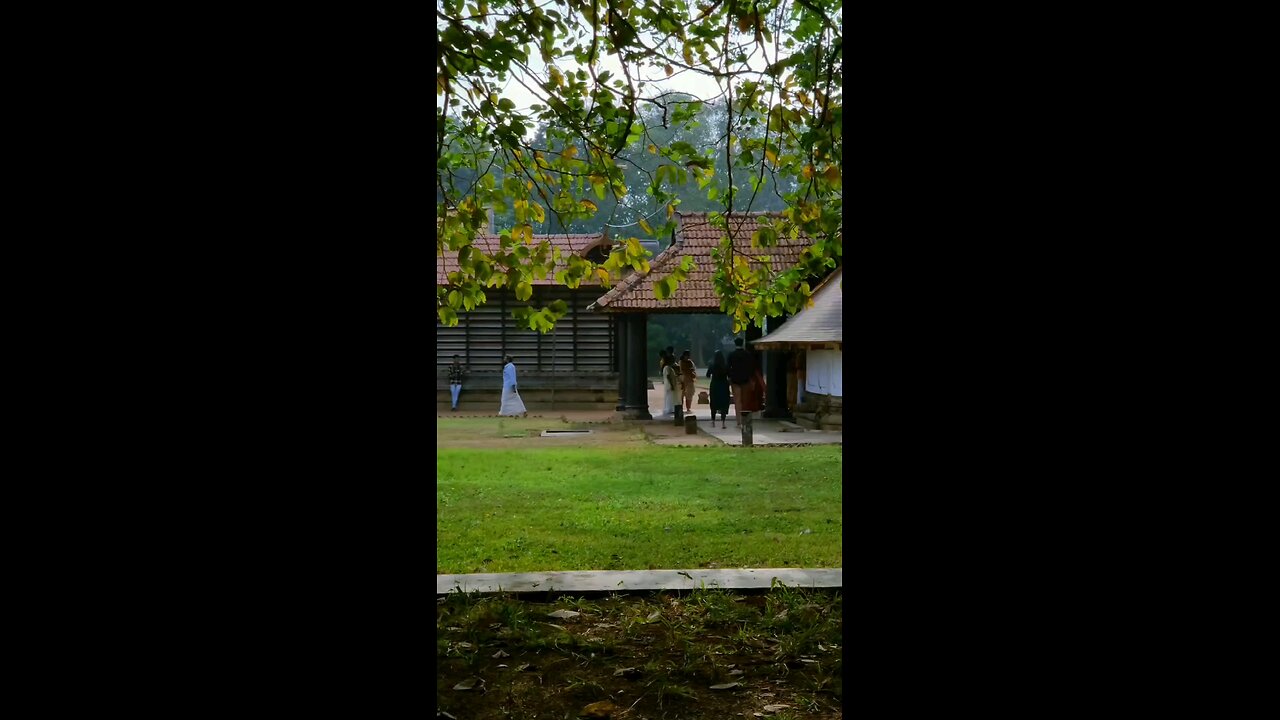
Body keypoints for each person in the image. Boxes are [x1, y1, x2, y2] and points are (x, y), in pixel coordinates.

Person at [726, 337, 756, 427]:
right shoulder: (747, 354)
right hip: (745, 379)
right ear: (742, 343)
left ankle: (738, 420)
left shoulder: (731, 355)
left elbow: (728, 368)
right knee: (745, 401)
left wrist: (730, 377)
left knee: (737, 401)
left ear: (735, 344)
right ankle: (745, 420)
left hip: (735, 380)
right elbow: (752, 367)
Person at [705, 349, 731, 428]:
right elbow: (729, 376)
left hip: (715, 385)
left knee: (714, 402)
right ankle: (723, 422)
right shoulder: (726, 365)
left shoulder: (712, 365)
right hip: (724, 385)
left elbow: (707, 375)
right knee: (724, 403)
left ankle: (713, 421)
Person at [661, 349, 680, 417]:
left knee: (670, 397)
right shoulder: (667, 367)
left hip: (670, 384)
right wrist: (672, 385)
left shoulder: (668, 367)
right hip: (669, 385)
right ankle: (669, 409)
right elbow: (668, 376)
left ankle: (670, 409)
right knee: (670, 397)